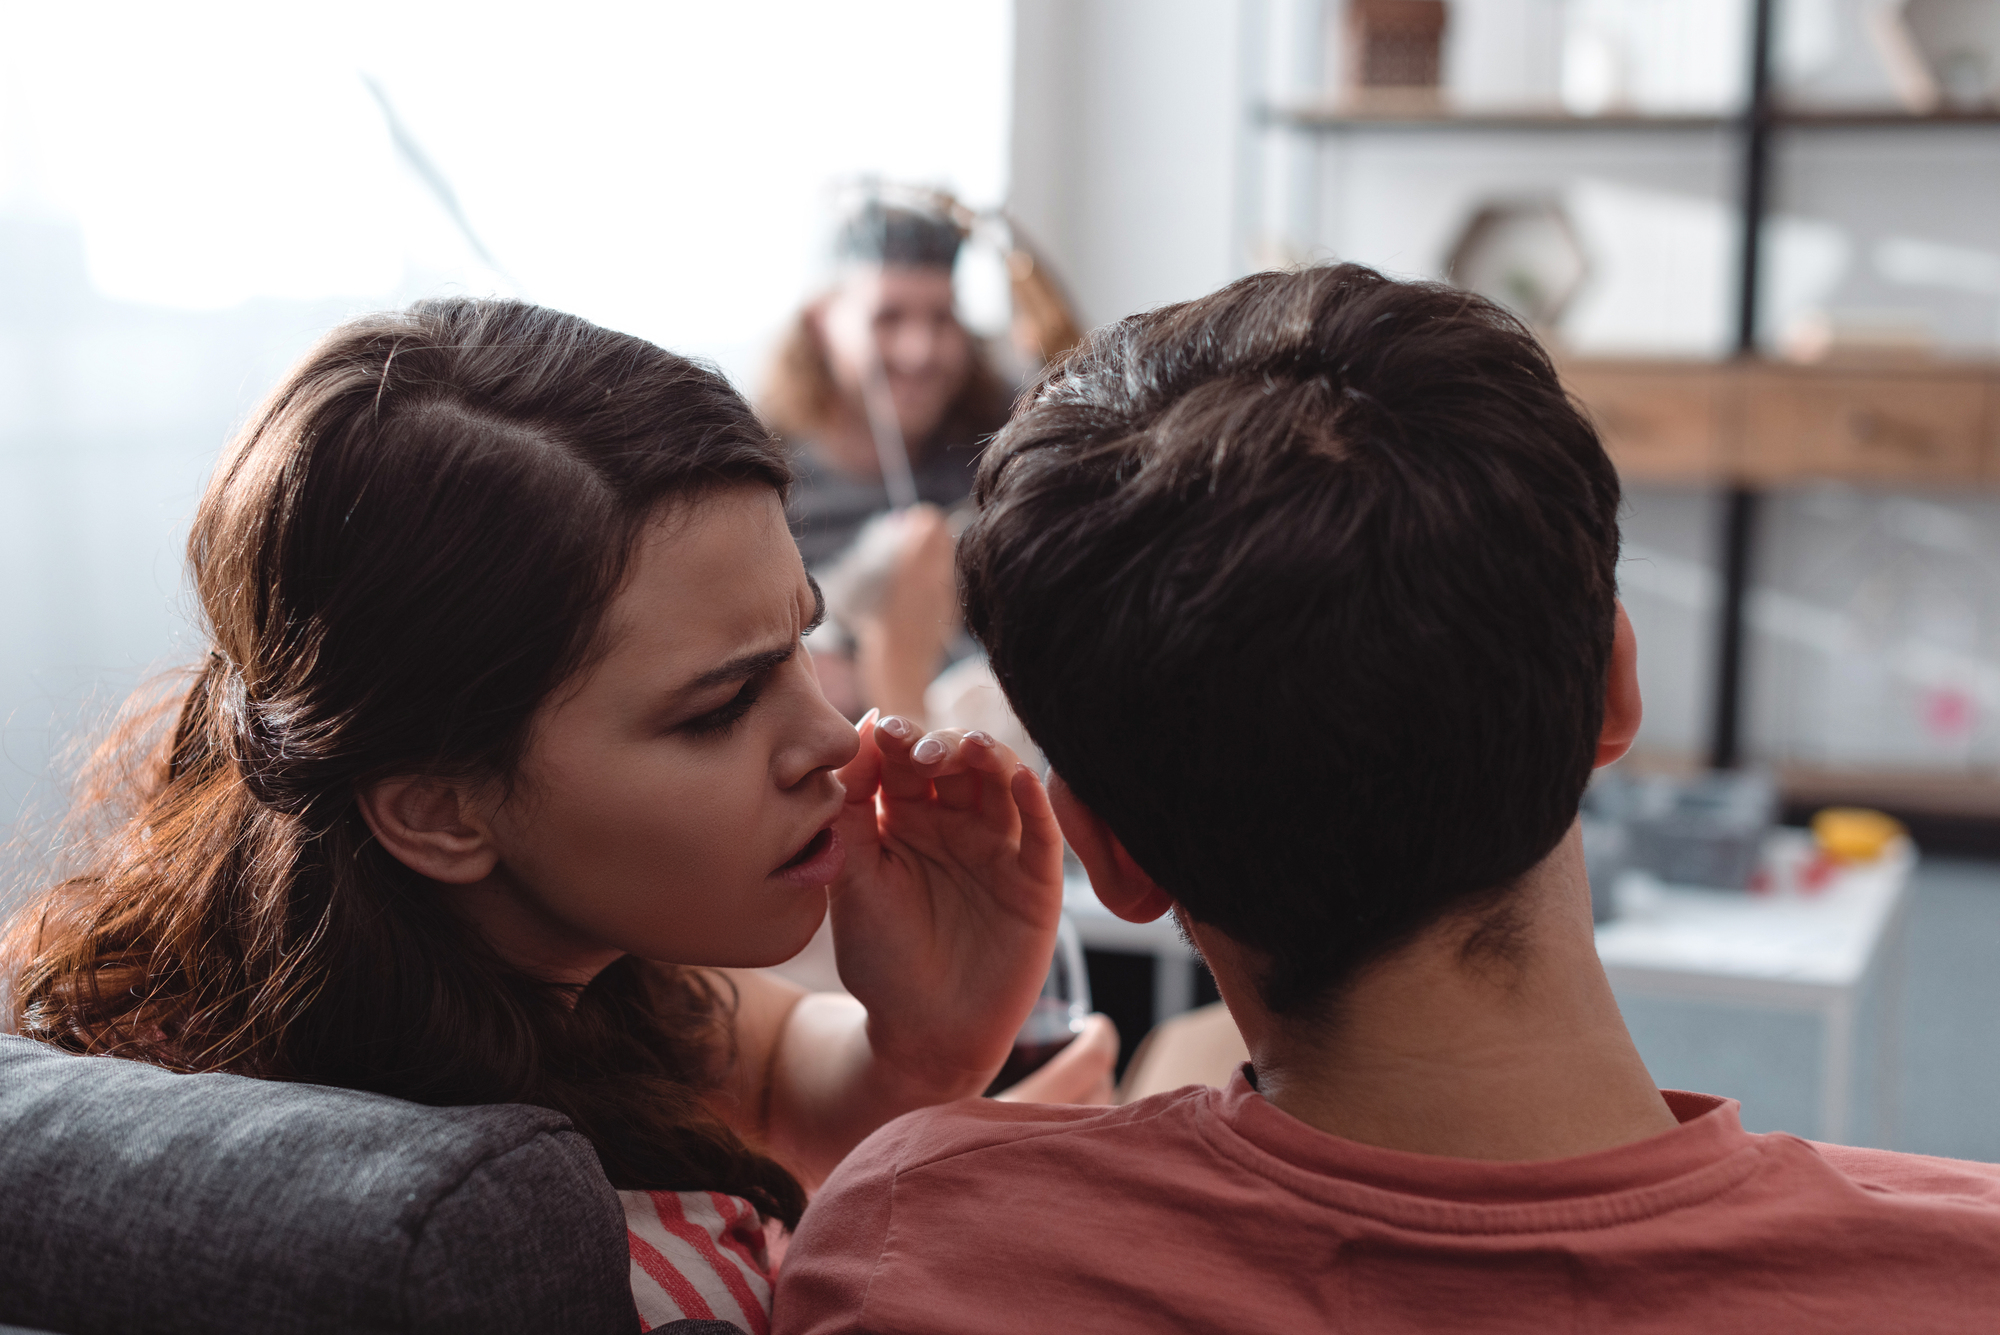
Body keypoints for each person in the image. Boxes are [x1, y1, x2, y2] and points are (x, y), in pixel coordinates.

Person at [772, 265, 2000, 1333]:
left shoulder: (917, 1248)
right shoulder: (1964, 1274)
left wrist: (924, 1086)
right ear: (1614, 689)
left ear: (1111, 856)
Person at [2, 298, 1114, 1335]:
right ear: (438, 810)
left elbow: (772, 1074)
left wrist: (920, 1051)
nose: (829, 736)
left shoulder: (435, 943)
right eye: (721, 704)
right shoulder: (629, 1265)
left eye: (799, 640)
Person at [760, 199, 1013, 723]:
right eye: (887, 317)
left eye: (941, 319)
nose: (920, 351)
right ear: (821, 322)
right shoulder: (763, 484)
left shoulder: (998, 448)